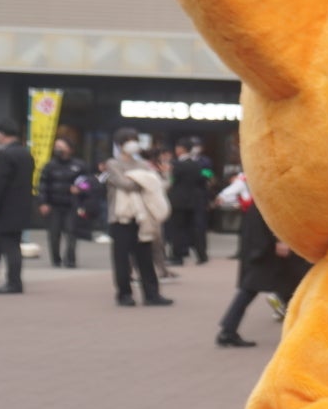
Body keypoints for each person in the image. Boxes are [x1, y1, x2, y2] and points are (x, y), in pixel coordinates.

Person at [216, 175, 311, 348]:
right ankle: (228, 330)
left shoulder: (265, 189)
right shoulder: (273, 194)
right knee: (257, 288)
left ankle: (228, 329)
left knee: (287, 288)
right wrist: (280, 240)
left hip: (262, 249)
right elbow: (274, 218)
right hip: (267, 251)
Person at [102, 129, 173, 307]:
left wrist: (165, 174)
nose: (132, 143)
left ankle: (152, 294)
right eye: (128, 140)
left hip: (143, 218)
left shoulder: (142, 165)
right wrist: (146, 182)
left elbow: (160, 186)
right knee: (122, 258)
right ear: (119, 144)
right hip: (121, 217)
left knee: (145, 256)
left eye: (134, 139)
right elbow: (125, 184)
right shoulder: (113, 163)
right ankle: (124, 294)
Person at [0, 120, 35, 294]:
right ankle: (15, 280)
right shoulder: (25, 154)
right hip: (22, 206)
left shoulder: (5, 155)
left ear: (1, 134)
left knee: (9, 246)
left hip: (6, 208)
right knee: (15, 245)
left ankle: (13, 282)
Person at [37, 137, 86, 269]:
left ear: (69, 149)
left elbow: (88, 183)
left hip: (72, 204)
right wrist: (43, 202)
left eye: (61, 146)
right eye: (56, 146)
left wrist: (81, 188)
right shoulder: (50, 166)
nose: (58, 149)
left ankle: (70, 259)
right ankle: (56, 259)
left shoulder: (79, 165)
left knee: (71, 232)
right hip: (54, 204)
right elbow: (43, 185)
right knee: (54, 234)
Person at [167, 136, 214, 264]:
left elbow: (171, 181)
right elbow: (204, 178)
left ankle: (178, 255)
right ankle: (200, 254)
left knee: (179, 228)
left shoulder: (177, 164)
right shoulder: (198, 164)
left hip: (180, 201)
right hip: (196, 200)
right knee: (196, 228)